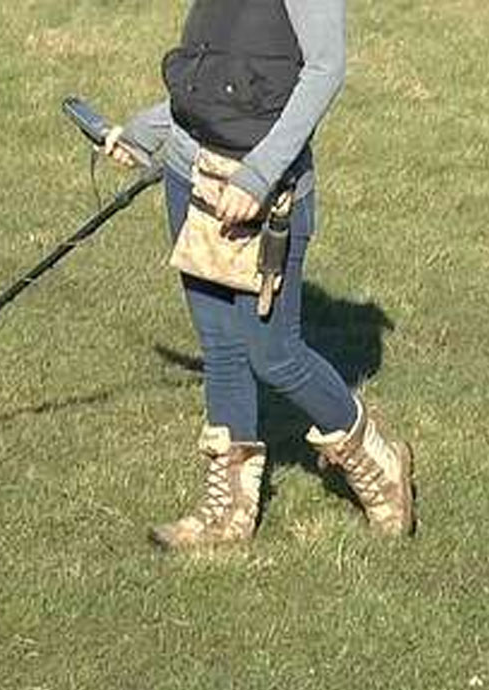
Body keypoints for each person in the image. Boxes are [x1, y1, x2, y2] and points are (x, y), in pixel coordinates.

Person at [104, 0, 415, 550]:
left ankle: (379, 463)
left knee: (272, 353)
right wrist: (145, 131)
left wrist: (257, 175)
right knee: (221, 346)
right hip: (189, 178)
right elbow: (213, 77)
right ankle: (229, 512)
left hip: (266, 195)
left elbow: (325, 71)